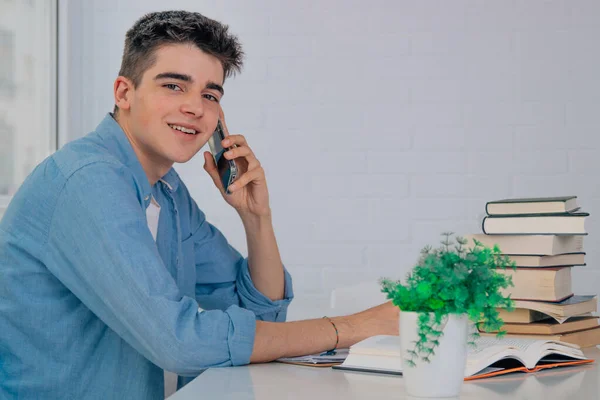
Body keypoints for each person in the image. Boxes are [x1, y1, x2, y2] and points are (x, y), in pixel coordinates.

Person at [0, 10, 398, 400]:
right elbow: (181, 343)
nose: (195, 107)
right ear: (124, 92)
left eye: (210, 94)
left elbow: (260, 319)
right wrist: (356, 326)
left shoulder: (168, 192)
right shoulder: (88, 181)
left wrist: (256, 218)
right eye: (174, 86)